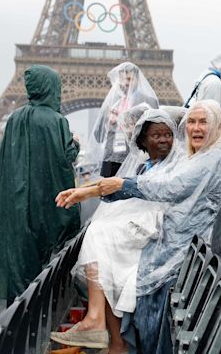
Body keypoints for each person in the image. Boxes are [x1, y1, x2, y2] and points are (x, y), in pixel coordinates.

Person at [52, 100, 221, 353]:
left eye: (203, 122)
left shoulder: (213, 158)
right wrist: (87, 191)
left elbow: (170, 188)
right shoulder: (200, 158)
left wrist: (106, 188)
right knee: (103, 241)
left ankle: (108, 333)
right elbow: (152, 184)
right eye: (191, 121)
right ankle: (106, 331)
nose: (195, 127)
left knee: (101, 238)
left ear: (217, 126)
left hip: (180, 242)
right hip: (176, 236)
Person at [51, 109, 178, 352]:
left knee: (100, 236)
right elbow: (119, 188)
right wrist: (84, 190)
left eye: (167, 134)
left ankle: (101, 325)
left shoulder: (172, 166)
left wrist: (87, 191)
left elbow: (142, 190)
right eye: (156, 135)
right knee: (103, 249)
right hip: (144, 226)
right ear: (143, 140)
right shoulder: (145, 166)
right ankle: (112, 338)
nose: (162, 140)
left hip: (159, 231)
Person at [0, 65, 81, 303]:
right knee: (47, 248)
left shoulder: (14, 118)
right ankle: (41, 300)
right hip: (44, 197)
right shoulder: (56, 121)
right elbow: (65, 158)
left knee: (20, 251)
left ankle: (19, 303)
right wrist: (74, 144)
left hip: (16, 197)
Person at [88, 62, 159, 178]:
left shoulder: (149, 102)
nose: (125, 83)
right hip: (111, 161)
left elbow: (155, 133)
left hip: (137, 161)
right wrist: (108, 122)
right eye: (122, 79)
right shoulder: (112, 103)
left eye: (129, 79)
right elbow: (98, 136)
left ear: (137, 79)